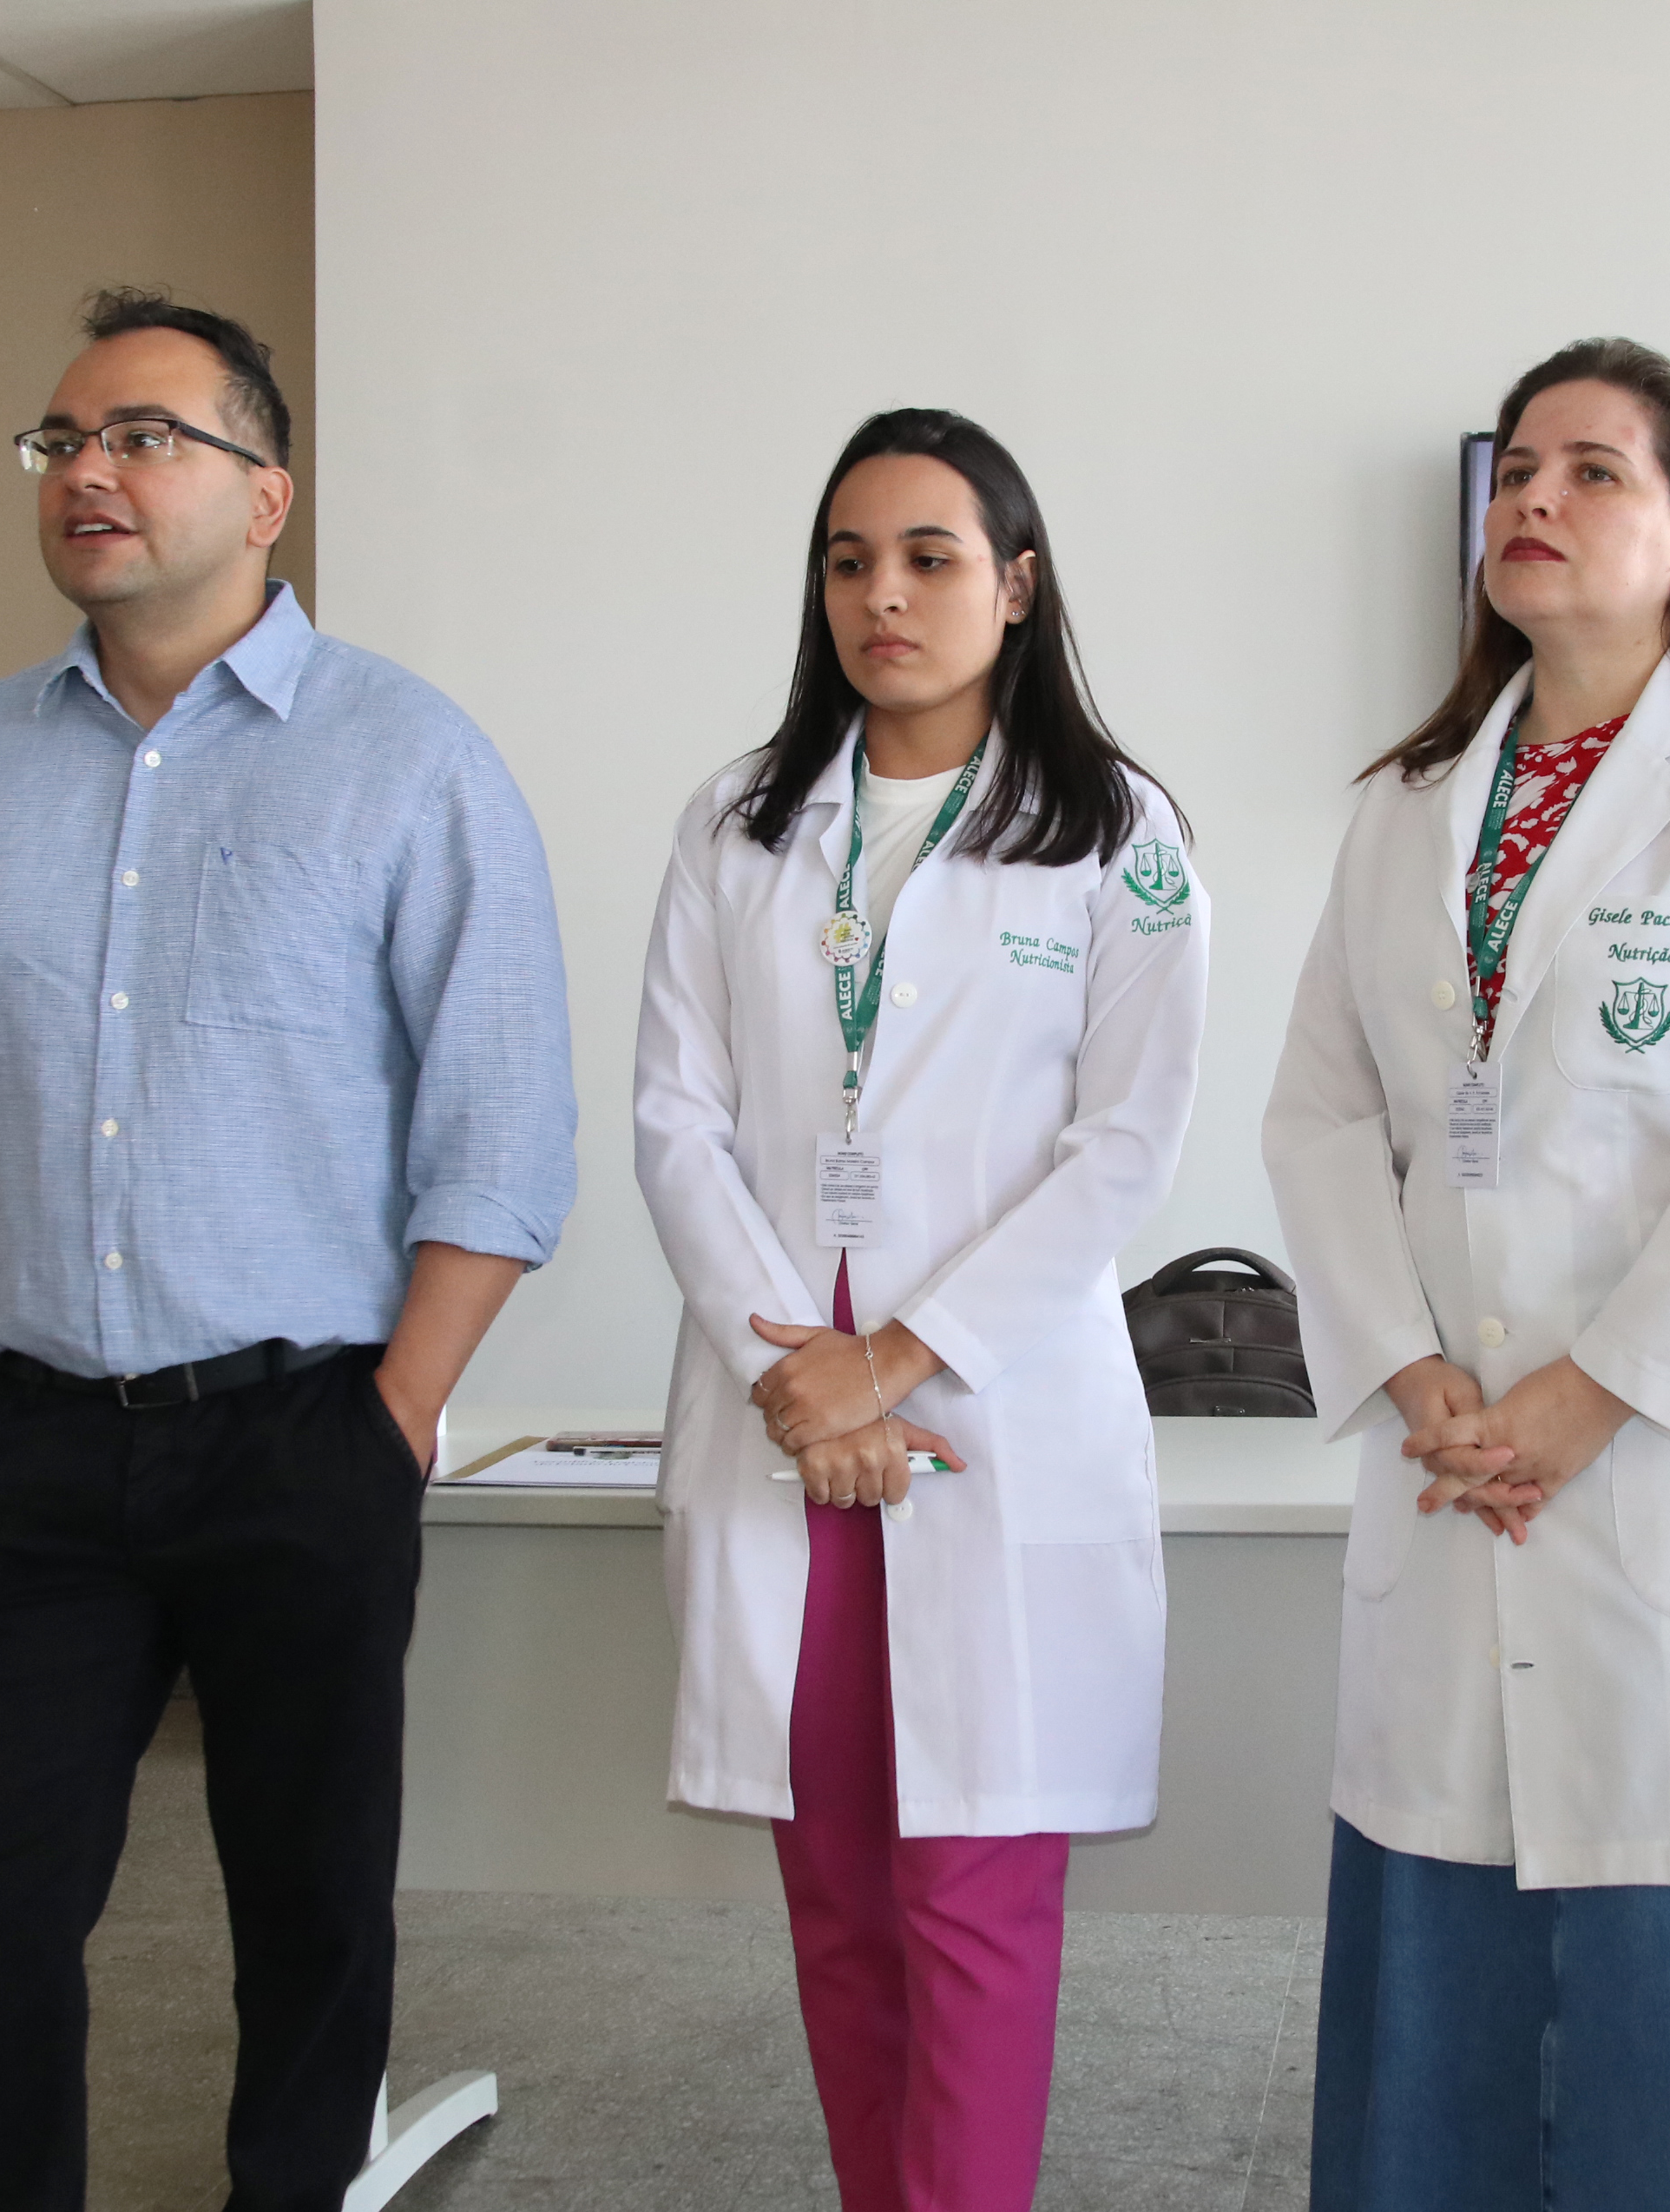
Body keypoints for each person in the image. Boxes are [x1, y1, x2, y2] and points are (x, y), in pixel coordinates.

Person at [0, 287, 576, 2212]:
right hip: (21, 1445)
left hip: (300, 1430)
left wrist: (394, 1412)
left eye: (143, 436)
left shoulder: (407, 755)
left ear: (265, 493)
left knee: (311, 1911)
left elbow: (501, 1129)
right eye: (62, 440)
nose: (87, 471)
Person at [1266, 337, 1670, 2209]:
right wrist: (1405, 1364)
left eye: (1592, 472)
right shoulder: (1409, 801)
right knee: (1456, 1979)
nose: (1534, 500)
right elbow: (1321, 1108)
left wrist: (1596, 1388)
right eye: (1517, 473)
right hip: (1455, 1449)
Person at [631, 408, 1206, 2212]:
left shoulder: (1116, 831)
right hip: (787, 1423)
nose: (883, 594)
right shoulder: (739, 819)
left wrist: (893, 1361)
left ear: (1016, 585)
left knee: (972, 1894)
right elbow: (674, 1118)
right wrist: (798, 1372)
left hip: (984, 1415)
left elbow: (1126, 1146)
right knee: (839, 1896)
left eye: (929, 557)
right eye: (849, 559)